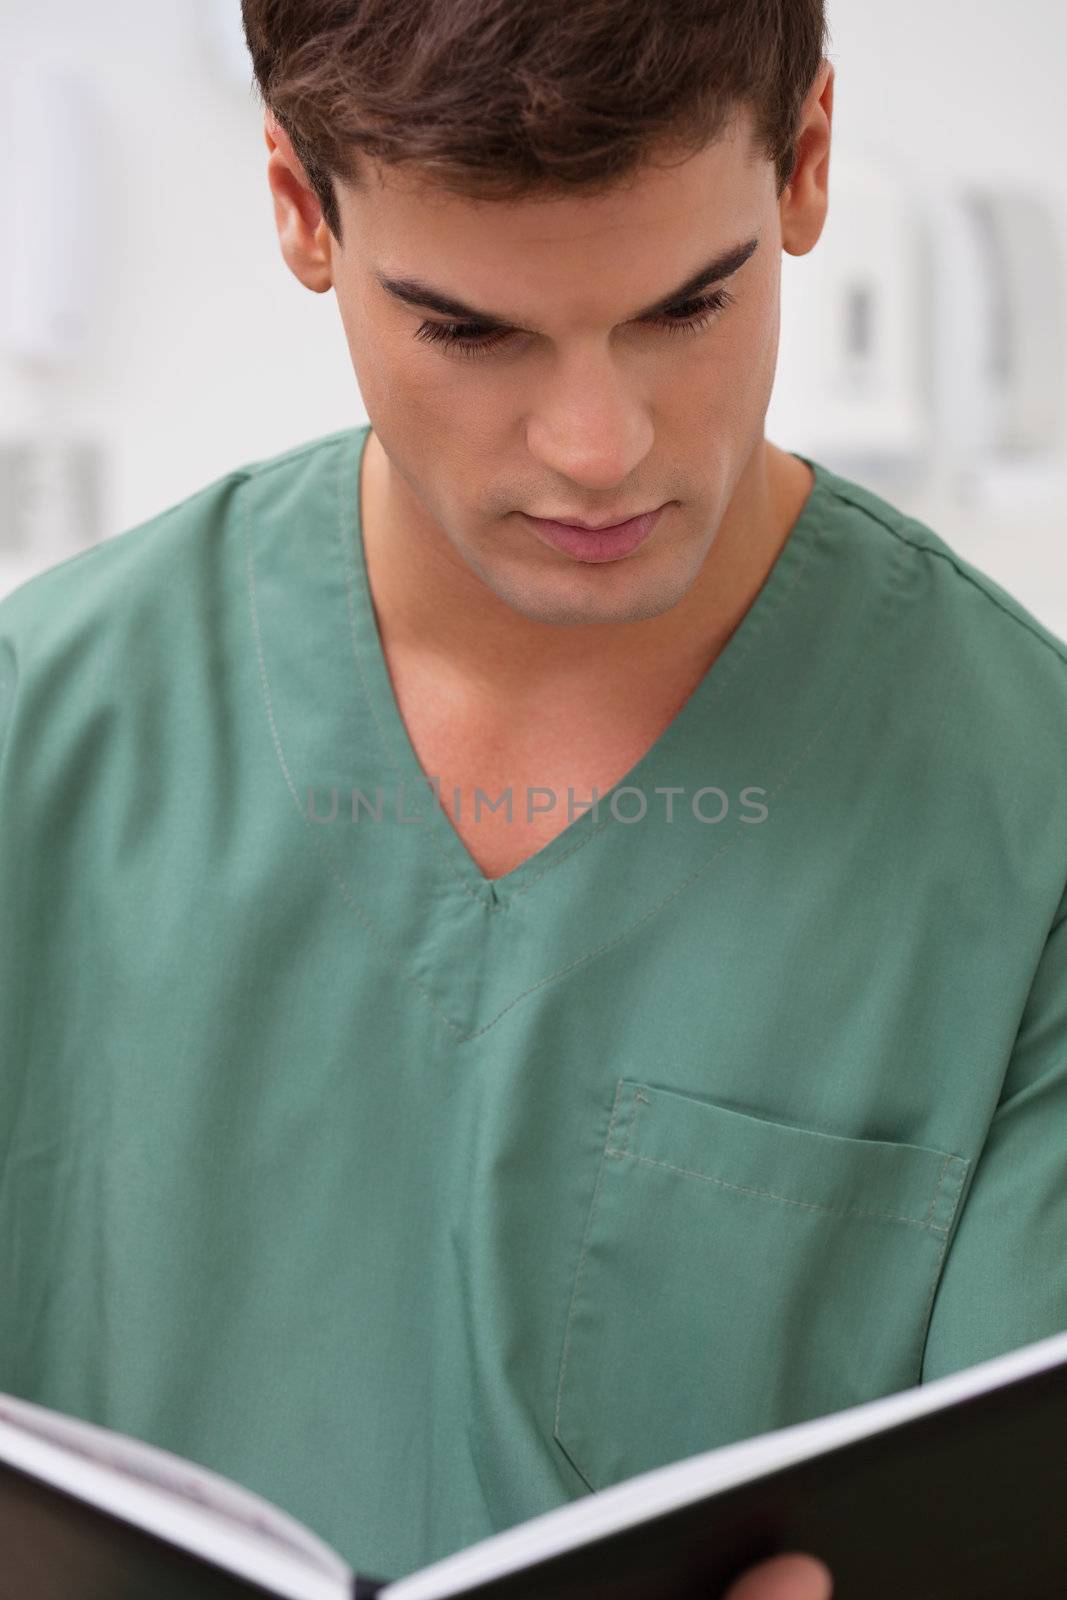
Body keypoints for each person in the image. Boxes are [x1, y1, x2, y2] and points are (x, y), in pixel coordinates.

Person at [0, 1, 1064, 1595]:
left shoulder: (1024, 817)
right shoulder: (40, 737)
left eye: (687, 307)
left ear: (808, 164)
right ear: (301, 206)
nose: (598, 446)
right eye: (469, 330)